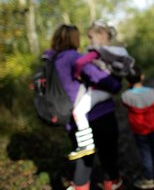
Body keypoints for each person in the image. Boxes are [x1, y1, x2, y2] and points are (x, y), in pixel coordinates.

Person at [43, 24, 124, 190]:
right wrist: (116, 84)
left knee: (84, 163)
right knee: (108, 158)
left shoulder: (50, 62)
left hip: (72, 121)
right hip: (99, 117)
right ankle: (112, 184)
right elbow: (100, 78)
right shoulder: (74, 57)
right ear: (74, 38)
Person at [68, 20, 134, 161]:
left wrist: (76, 74)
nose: (90, 41)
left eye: (91, 37)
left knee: (78, 112)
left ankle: (86, 144)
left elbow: (79, 63)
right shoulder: (120, 51)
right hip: (110, 90)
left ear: (101, 35)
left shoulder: (97, 51)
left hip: (99, 90)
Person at [121, 66, 154, 189]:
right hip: (152, 127)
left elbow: (125, 105)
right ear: (142, 76)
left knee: (145, 154)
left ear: (127, 81)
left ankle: (149, 179)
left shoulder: (126, 96)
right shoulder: (151, 91)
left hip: (139, 130)